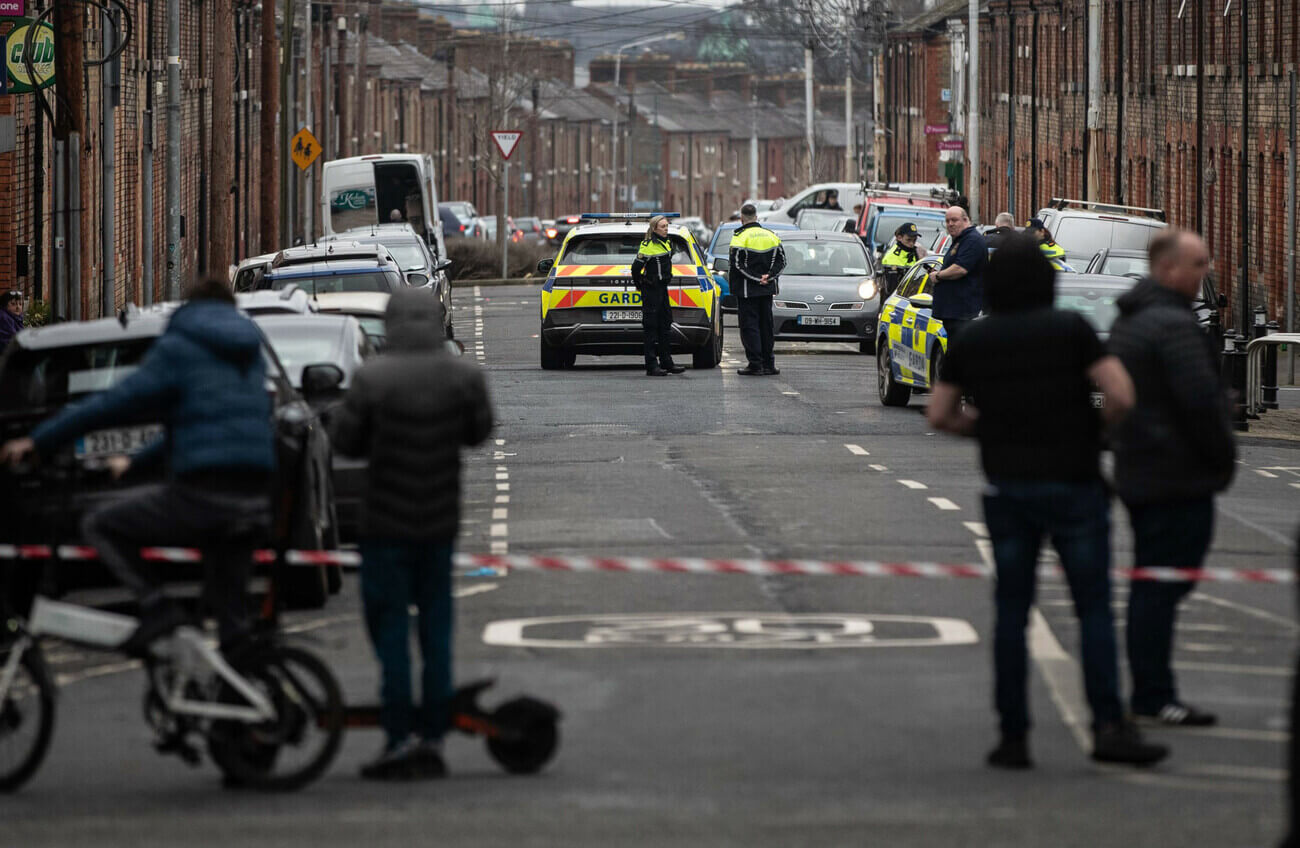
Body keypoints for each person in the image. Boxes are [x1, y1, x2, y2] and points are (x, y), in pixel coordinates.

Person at [927, 234, 1168, 769]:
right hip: (1076, 481)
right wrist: (1089, 428)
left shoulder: (976, 340)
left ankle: (1013, 735)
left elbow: (941, 414)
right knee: (1093, 609)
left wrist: (987, 431)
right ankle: (1109, 724)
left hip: (1008, 487)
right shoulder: (1073, 330)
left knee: (1012, 613)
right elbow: (1120, 396)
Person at [0, 275, 274, 657]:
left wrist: (39, 440)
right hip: (256, 495)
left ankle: (158, 608)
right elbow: (187, 430)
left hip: (203, 492)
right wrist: (133, 461)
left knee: (101, 524)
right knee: (231, 620)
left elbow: (114, 401)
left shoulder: (181, 346)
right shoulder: (248, 351)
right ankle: (242, 698)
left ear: (189, 309)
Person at [330, 288, 494, 780]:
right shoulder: (464, 375)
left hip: (384, 523)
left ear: (393, 323)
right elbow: (478, 433)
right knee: (436, 628)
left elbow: (347, 443)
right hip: (439, 521)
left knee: (391, 629)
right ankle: (434, 736)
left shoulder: (372, 378)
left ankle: (399, 735)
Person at [1108, 229, 1235, 727]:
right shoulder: (1172, 325)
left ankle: (1151, 689)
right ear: (1167, 269)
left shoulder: (1133, 317)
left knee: (1154, 583)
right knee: (1164, 584)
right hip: (1174, 474)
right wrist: (1222, 462)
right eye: (1197, 264)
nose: (1205, 272)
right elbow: (1201, 402)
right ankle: (1154, 693)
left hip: (1144, 468)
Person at [729, 203, 787, 376]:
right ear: (756, 217)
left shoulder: (739, 237)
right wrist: (768, 277)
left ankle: (755, 364)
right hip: (767, 290)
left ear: (741, 219)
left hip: (747, 291)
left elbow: (737, 265)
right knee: (766, 326)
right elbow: (782, 261)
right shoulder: (771, 236)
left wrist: (756, 278)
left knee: (750, 327)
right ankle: (769, 364)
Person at [630, 215, 686, 377]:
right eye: (663, 226)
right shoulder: (648, 246)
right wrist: (640, 285)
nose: (666, 229)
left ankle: (667, 362)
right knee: (651, 327)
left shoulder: (667, 242)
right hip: (651, 290)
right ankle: (651, 364)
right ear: (654, 228)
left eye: (667, 226)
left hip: (663, 289)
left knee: (665, 324)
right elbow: (635, 268)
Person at [931, 205, 988, 347]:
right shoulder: (960, 240)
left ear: (965, 220)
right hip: (955, 313)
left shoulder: (972, 240)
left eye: (954, 220)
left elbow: (960, 269)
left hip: (964, 314)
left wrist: (938, 276)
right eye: (947, 221)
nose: (950, 224)